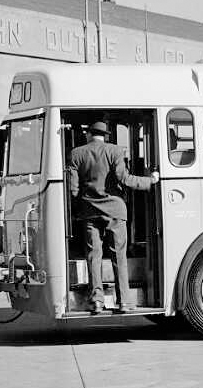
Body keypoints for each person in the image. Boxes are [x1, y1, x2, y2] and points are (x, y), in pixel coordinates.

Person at [67, 122, 159, 314]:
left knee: (94, 257)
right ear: (105, 136)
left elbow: (73, 189)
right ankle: (124, 301)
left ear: (88, 134)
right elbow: (124, 179)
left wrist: (80, 206)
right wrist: (150, 181)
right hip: (115, 211)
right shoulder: (115, 151)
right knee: (119, 256)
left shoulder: (76, 154)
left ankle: (97, 302)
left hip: (90, 212)